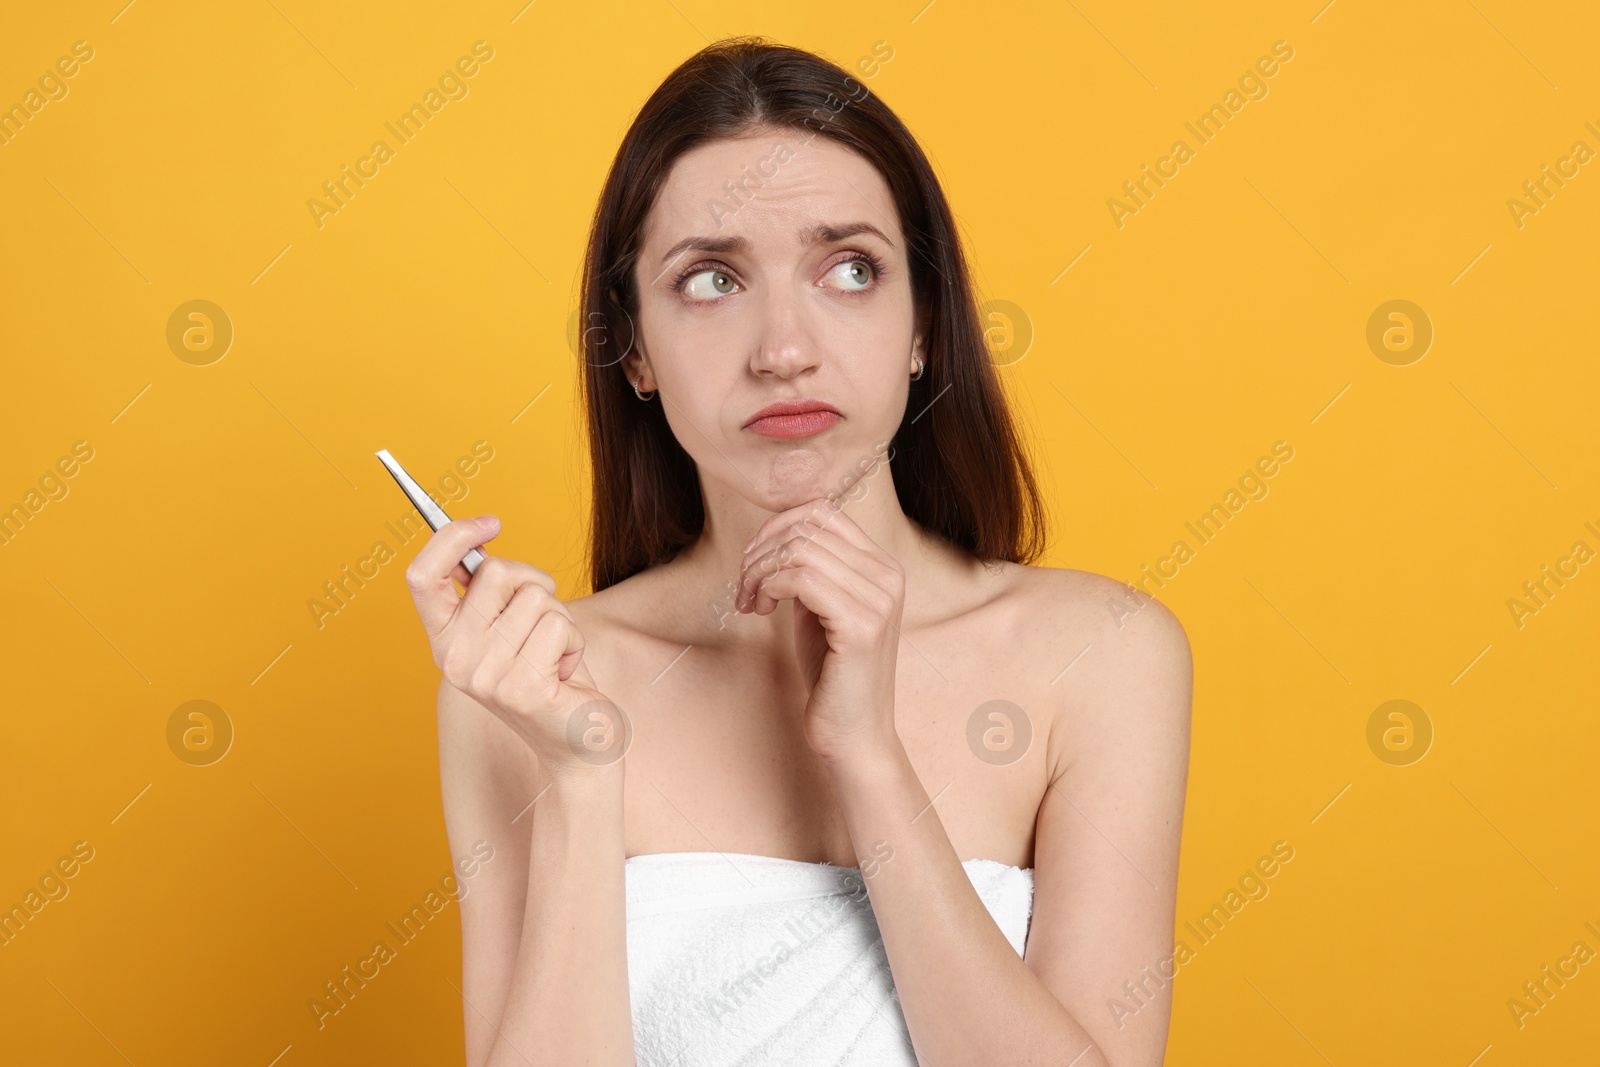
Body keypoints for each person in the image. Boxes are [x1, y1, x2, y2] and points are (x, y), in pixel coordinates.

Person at [403, 36, 1192, 1067]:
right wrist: (582, 777)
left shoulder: (1103, 653)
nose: (783, 347)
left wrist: (867, 755)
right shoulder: (523, 685)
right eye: (710, 280)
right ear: (631, 347)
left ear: (924, 326)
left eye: (850, 269)